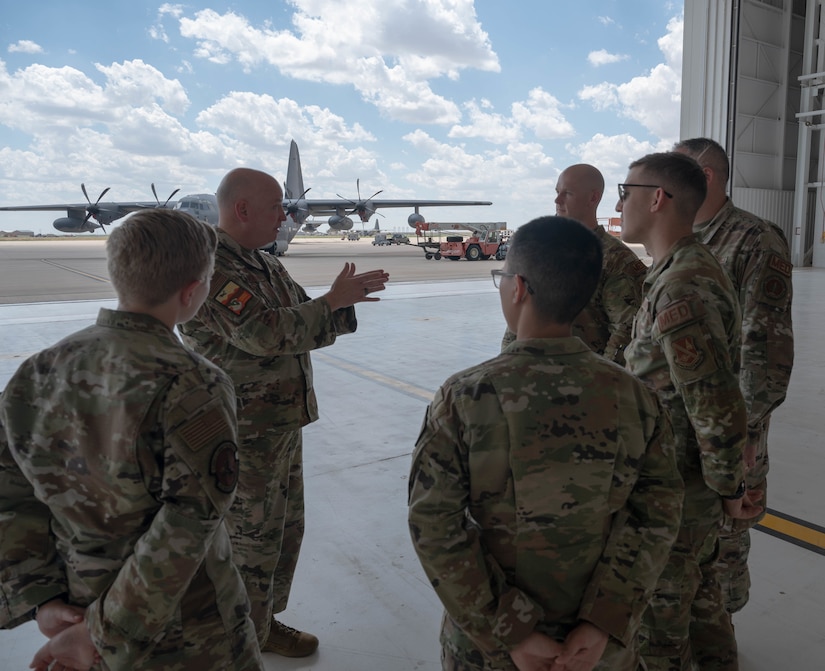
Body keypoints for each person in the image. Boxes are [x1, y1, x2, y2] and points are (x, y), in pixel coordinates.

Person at [409, 216, 683, 671]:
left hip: (492, 653)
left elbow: (434, 524)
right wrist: (603, 622)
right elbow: (658, 512)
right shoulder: (638, 397)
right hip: (596, 651)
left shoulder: (465, 397)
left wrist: (511, 630)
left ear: (517, 288)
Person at [0, 209, 262, 671]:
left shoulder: (37, 370)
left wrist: (39, 596)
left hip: (77, 603)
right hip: (186, 626)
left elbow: (10, 492)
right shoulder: (194, 382)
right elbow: (189, 521)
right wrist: (103, 633)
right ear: (192, 291)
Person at [179, 167, 389, 657]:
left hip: (277, 424)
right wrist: (329, 304)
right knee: (250, 539)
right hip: (240, 429)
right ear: (243, 210)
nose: (286, 214)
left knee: (282, 531)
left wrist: (341, 303)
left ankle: (261, 623)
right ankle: (238, 639)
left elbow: (301, 316)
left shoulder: (265, 264)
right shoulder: (213, 268)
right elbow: (263, 333)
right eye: (276, 206)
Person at [617, 152, 763, 671]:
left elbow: (715, 403)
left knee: (660, 627)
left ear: (657, 198)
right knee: (702, 607)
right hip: (684, 484)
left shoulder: (683, 284)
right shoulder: (678, 270)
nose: (619, 202)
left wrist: (728, 489)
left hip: (678, 490)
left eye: (625, 189)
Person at [673, 137, 794, 623]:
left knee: (723, 544)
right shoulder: (683, 239)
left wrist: (738, 437)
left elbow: (766, 354)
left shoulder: (754, 239)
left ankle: (719, 641)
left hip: (729, 433)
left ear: (705, 177)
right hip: (684, 425)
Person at [501, 164, 647, 365]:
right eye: (557, 192)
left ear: (593, 198)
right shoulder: (541, 249)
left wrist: (601, 381)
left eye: (567, 193)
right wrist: (507, 362)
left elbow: (625, 331)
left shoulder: (616, 260)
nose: (557, 200)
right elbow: (518, 317)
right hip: (530, 374)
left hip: (582, 381)